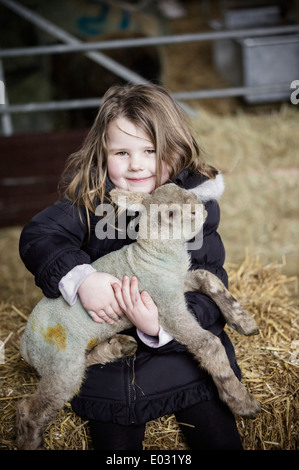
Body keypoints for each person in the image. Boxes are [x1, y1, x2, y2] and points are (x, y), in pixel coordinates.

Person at [19, 84, 243, 450]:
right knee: (116, 427)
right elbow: (40, 235)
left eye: (150, 151)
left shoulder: (190, 209)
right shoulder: (92, 200)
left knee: (216, 429)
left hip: (178, 353)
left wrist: (161, 325)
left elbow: (210, 279)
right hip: (108, 351)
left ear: (175, 151)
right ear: (102, 154)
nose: (136, 164)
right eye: (121, 152)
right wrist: (82, 279)